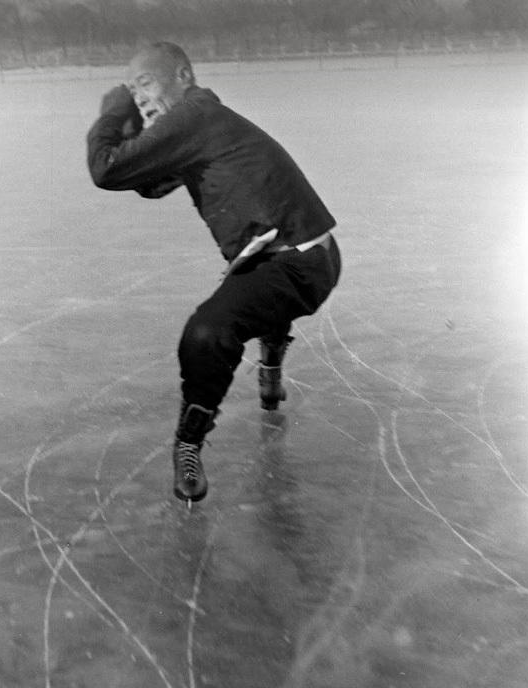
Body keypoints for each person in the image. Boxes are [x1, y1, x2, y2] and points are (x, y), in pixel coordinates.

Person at [87, 42, 341, 504]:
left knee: (207, 331)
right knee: (250, 277)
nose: (138, 97)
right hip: (293, 256)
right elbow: (149, 184)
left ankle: (188, 442)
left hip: (297, 262)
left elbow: (107, 170)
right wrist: (134, 131)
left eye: (144, 84)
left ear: (182, 75)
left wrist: (110, 115)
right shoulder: (201, 120)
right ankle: (271, 365)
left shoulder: (194, 117)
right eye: (130, 91)